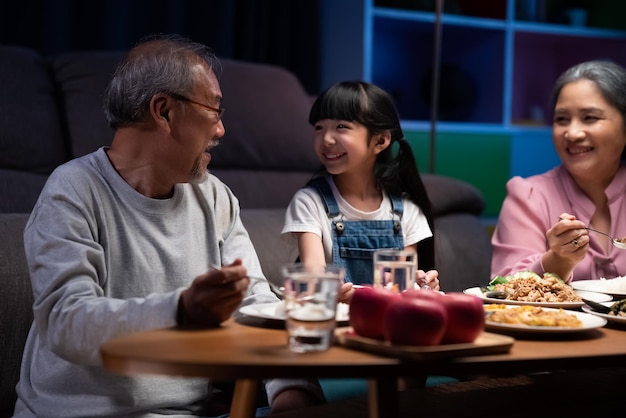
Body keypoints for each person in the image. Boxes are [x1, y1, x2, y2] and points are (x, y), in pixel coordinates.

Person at [12, 34, 325, 418]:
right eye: (214, 110)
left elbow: (256, 305)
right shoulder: (73, 191)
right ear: (163, 111)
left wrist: (292, 392)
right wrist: (181, 311)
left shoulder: (214, 197)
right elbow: (66, 322)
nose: (221, 130)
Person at [281, 80, 440, 303]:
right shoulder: (310, 201)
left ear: (381, 140)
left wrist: (422, 285)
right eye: (319, 127)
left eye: (341, 127)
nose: (326, 139)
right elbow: (313, 273)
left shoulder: (407, 211)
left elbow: (402, 286)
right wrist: (325, 289)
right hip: (335, 320)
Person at [491, 60, 626, 282]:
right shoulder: (528, 196)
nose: (572, 134)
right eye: (561, 120)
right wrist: (559, 261)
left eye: (589, 118)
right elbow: (504, 286)